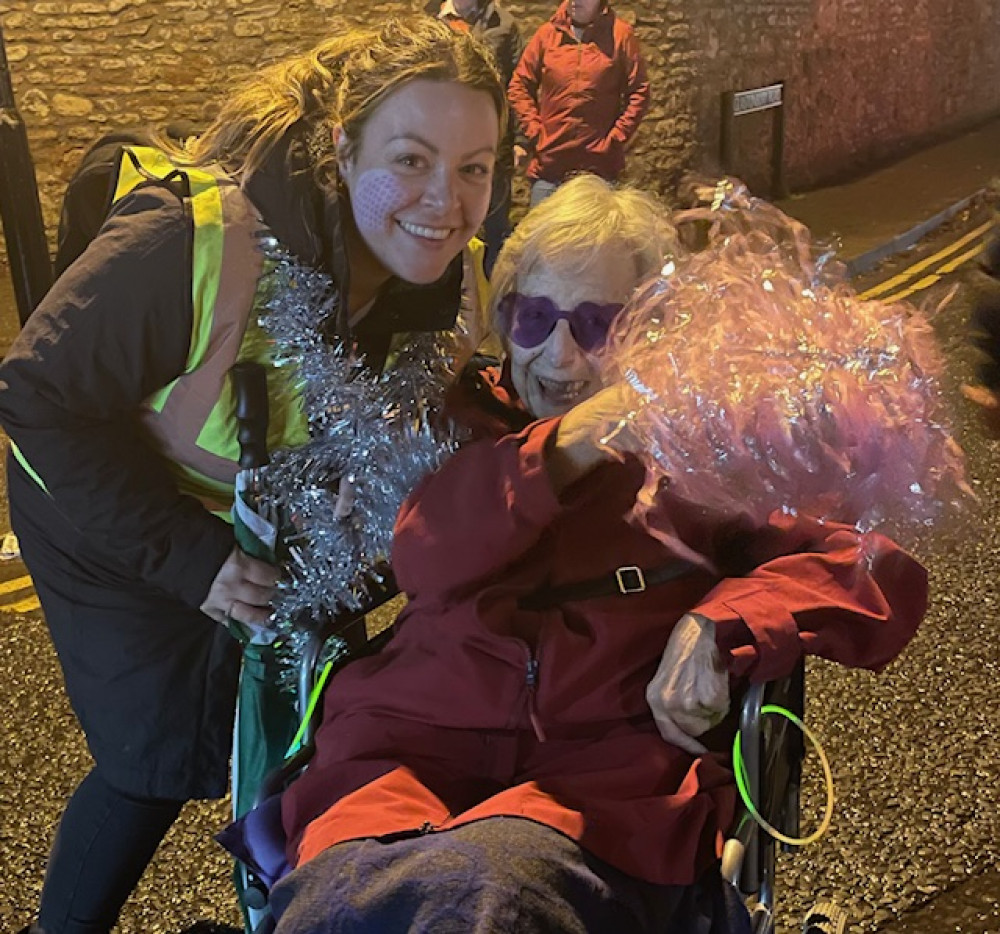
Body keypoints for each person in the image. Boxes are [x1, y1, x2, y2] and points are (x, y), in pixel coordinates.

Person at [262, 175, 928, 933]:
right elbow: (426, 556)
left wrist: (723, 622)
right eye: (534, 317)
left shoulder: (700, 446)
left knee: (485, 896)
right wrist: (571, 442)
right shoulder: (451, 420)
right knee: (336, 905)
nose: (560, 355)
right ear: (503, 317)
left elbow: (872, 569)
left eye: (597, 326)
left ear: (652, 330)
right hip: (399, 755)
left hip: (596, 786)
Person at [0, 17, 504, 934]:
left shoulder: (449, 278)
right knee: (152, 755)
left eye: (476, 167)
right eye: (412, 159)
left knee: (322, 724)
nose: (447, 201)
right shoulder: (189, 239)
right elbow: (37, 396)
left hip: (266, 520)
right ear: (343, 152)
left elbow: (419, 418)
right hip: (108, 512)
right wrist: (191, 562)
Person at [508, 0, 650, 206]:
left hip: (598, 170)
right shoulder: (547, 34)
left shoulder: (620, 35)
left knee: (594, 227)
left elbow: (639, 91)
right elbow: (519, 85)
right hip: (550, 167)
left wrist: (616, 138)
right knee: (544, 227)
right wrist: (535, 130)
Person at [424, 0, 524, 274]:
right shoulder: (430, 20)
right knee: (445, 221)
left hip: (492, 144)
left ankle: (494, 293)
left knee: (496, 228)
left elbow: (517, 88)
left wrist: (520, 140)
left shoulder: (503, 25)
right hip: (442, 142)